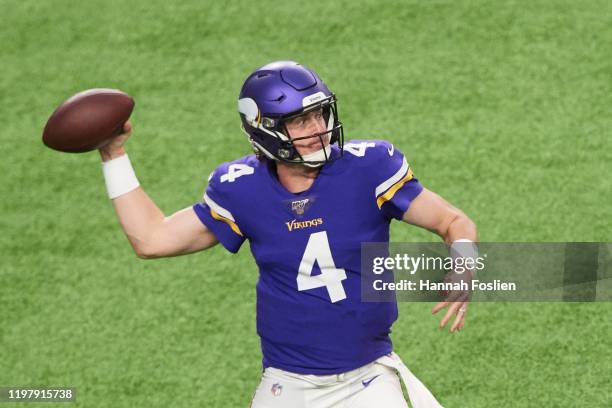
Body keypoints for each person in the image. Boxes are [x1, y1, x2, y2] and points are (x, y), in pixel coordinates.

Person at [99, 61, 477, 408]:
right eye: (300, 121)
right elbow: (151, 239)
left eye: (319, 114)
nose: (318, 130)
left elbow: (453, 222)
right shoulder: (241, 189)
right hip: (286, 384)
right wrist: (113, 154)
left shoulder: (370, 168)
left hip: (368, 378)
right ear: (264, 129)